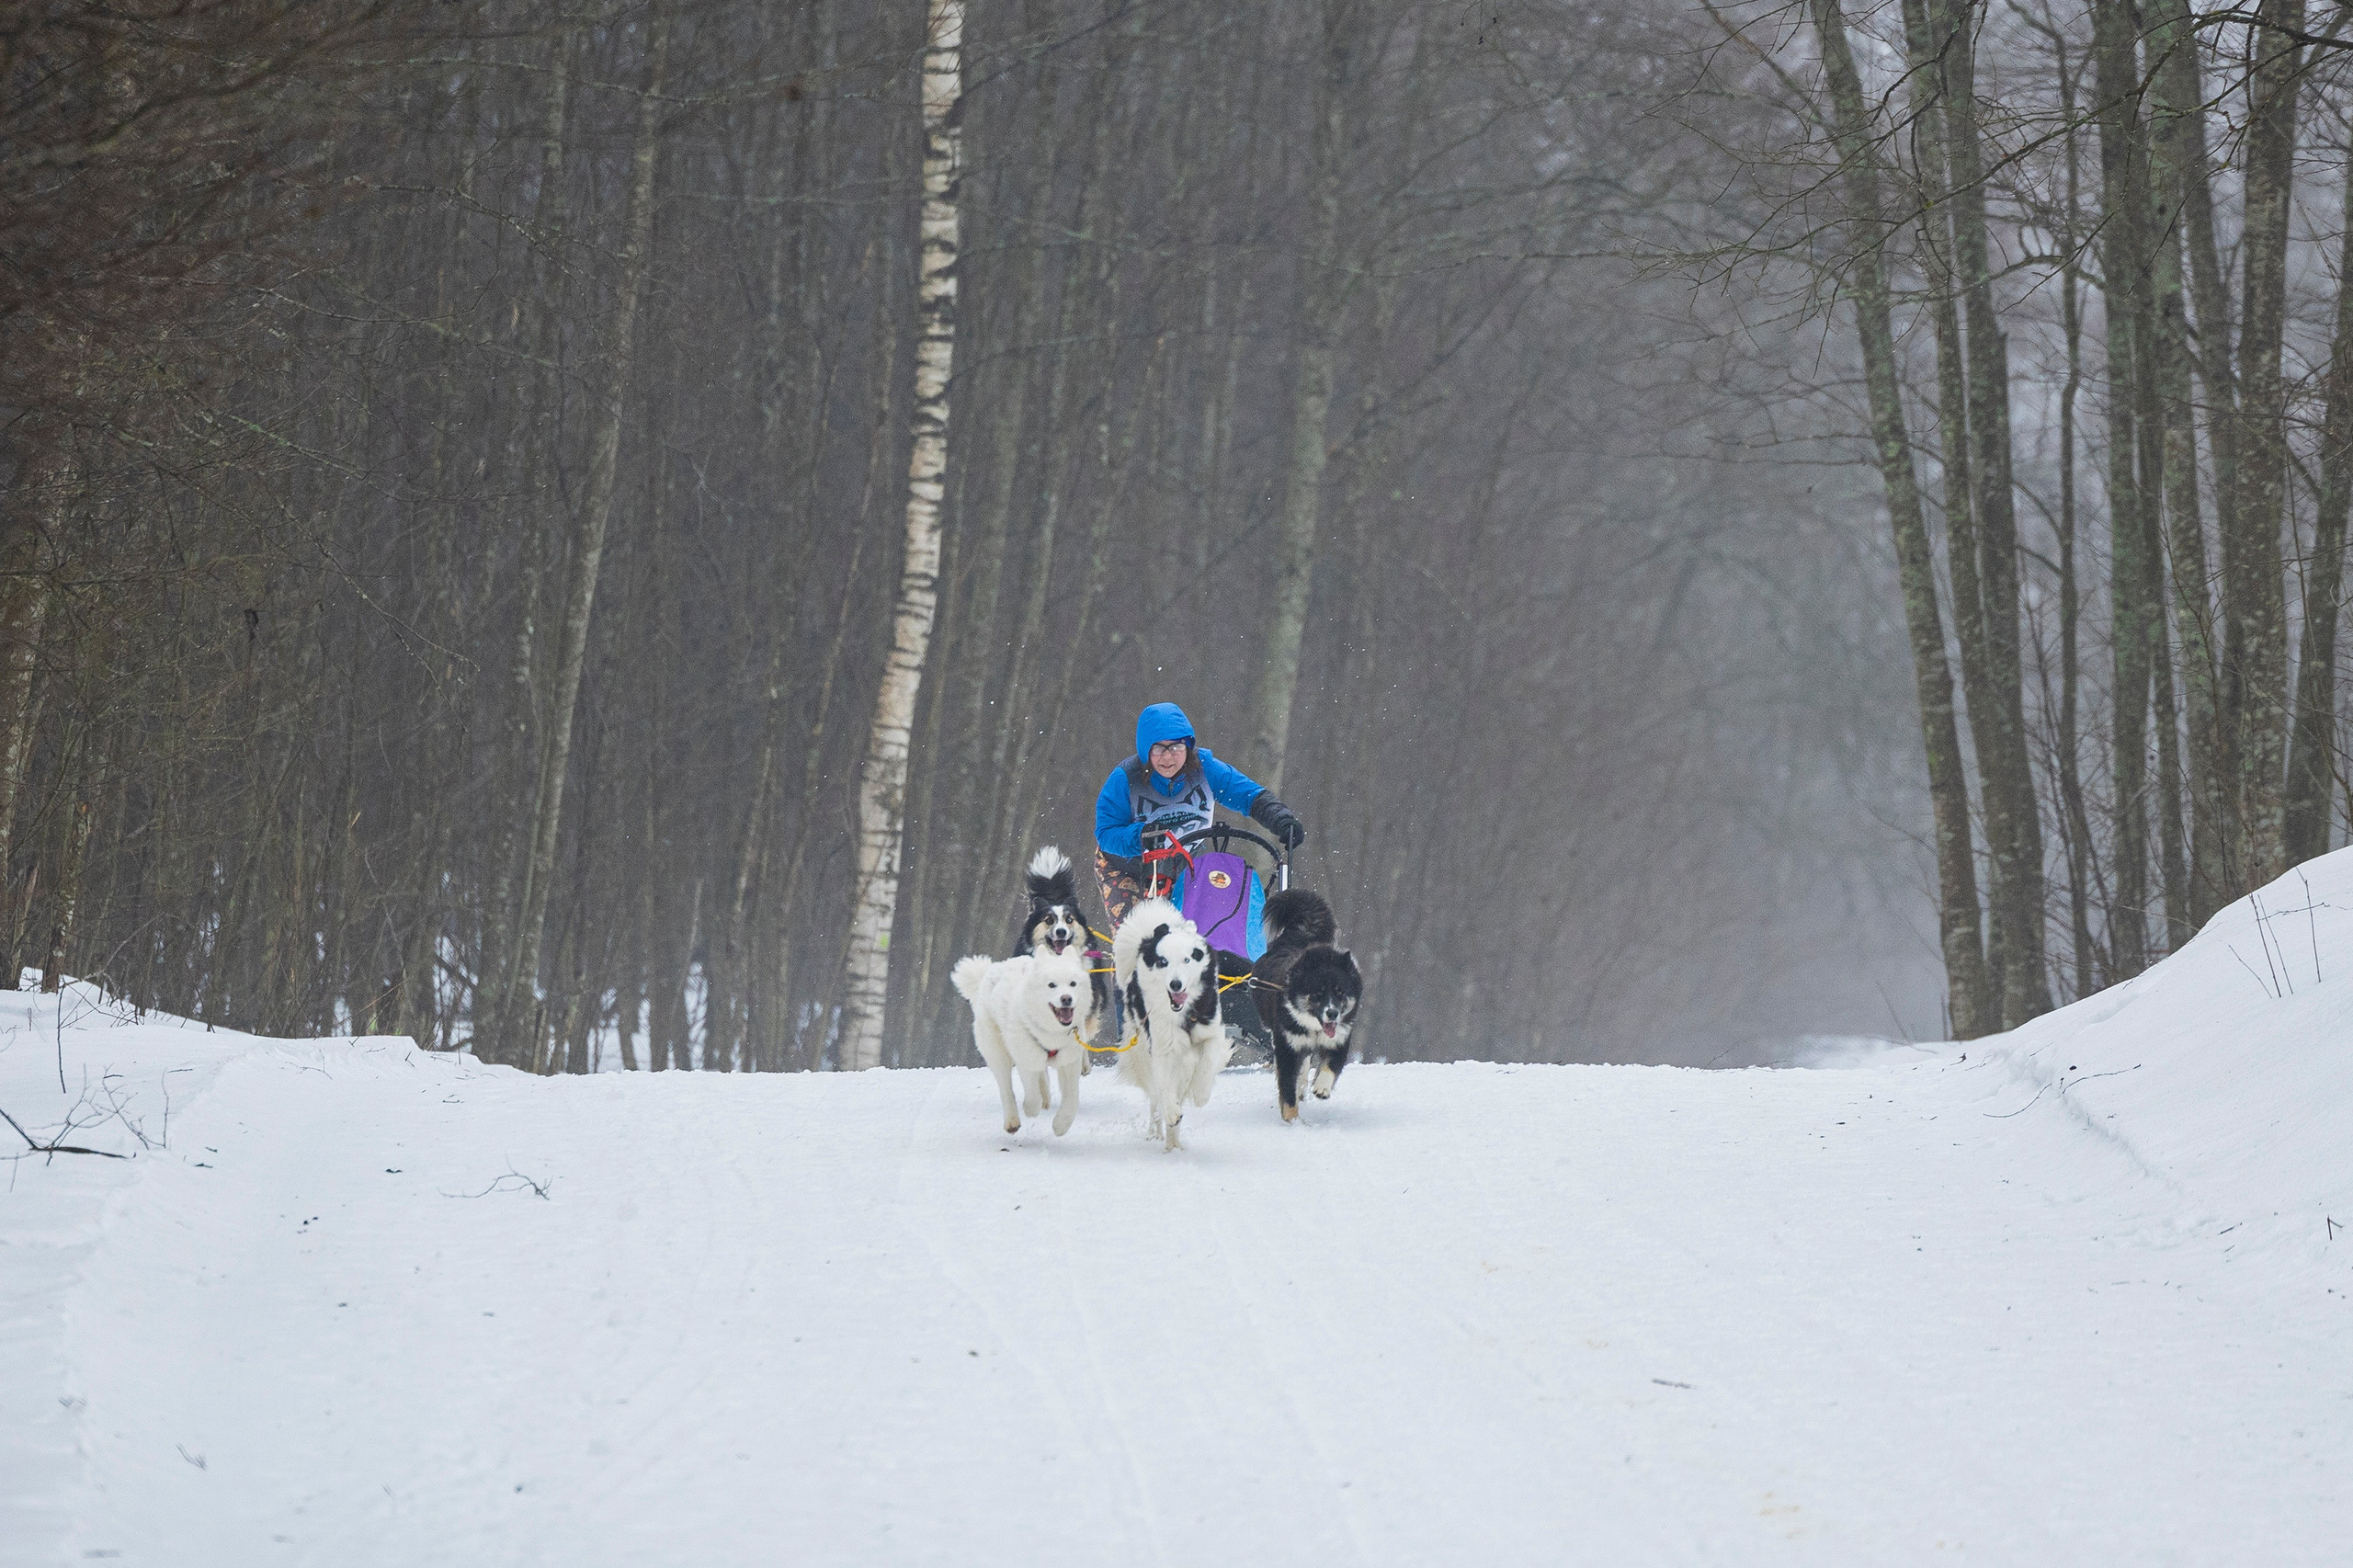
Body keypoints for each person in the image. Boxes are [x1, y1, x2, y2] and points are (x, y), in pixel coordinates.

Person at [1092, 701, 1306, 932]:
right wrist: (1140, 837)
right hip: (1129, 868)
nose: (1168, 758)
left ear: (1188, 746)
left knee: (1199, 932)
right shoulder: (1125, 779)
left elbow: (1248, 795)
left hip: (1186, 864)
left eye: (1176, 747)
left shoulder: (1205, 769)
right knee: (1138, 937)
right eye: (1159, 749)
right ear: (1146, 751)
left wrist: (1279, 818)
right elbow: (1105, 832)